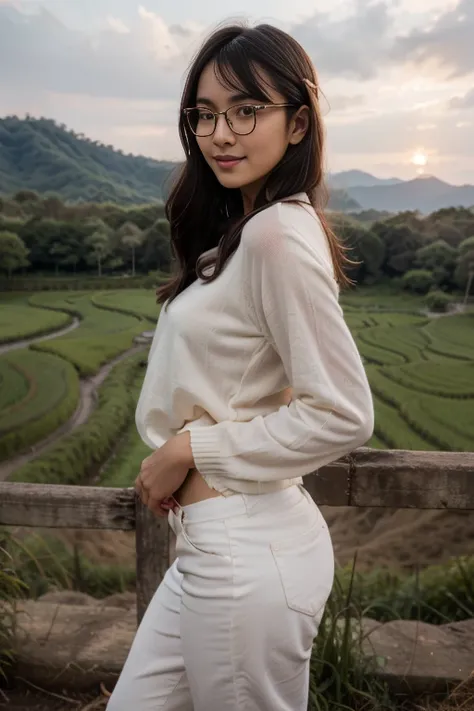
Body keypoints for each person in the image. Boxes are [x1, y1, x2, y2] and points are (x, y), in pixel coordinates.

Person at [107, 20, 374, 711]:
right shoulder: (247, 233)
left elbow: (343, 411)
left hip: (245, 554)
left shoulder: (278, 235)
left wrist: (191, 447)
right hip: (213, 547)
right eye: (204, 114)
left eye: (246, 110)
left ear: (297, 124)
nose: (220, 133)